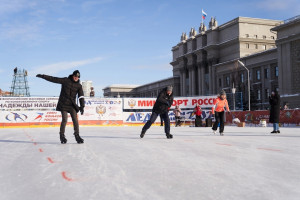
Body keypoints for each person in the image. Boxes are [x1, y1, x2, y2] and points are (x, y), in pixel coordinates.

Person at [36, 70, 85, 144]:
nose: (76, 78)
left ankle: (77, 135)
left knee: (75, 120)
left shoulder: (79, 86)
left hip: (72, 105)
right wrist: (43, 76)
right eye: (75, 76)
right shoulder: (66, 80)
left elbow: (81, 96)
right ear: (72, 75)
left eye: (78, 77)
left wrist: (82, 106)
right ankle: (62, 136)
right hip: (64, 104)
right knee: (64, 120)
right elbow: (54, 79)